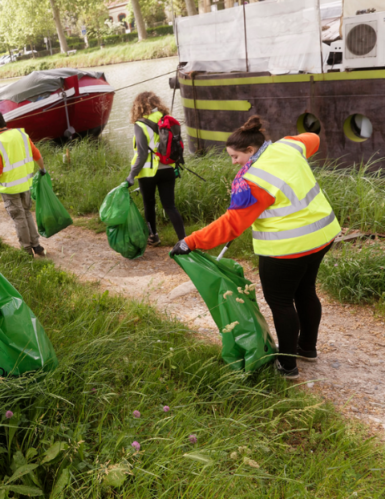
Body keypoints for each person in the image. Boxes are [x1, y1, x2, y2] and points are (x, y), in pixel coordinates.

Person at [169, 116, 340, 379]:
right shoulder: (288, 146)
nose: (233, 162)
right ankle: (307, 349)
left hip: (287, 248)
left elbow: (231, 225)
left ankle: (287, 366)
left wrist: (189, 241)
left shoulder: (254, 179)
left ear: (250, 150)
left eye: (235, 156)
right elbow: (313, 139)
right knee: (305, 291)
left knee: (281, 303)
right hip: (322, 236)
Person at [0, 109, 46, 258]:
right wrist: (43, 169)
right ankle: (37, 246)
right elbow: (37, 154)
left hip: (9, 188)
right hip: (25, 184)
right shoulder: (21, 134)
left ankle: (26, 250)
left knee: (18, 217)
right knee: (27, 213)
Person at [125, 91, 186, 246]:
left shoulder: (140, 124)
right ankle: (184, 240)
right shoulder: (167, 120)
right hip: (168, 169)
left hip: (148, 173)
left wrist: (132, 175)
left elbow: (142, 154)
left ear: (138, 106)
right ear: (157, 103)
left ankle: (153, 237)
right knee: (170, 205)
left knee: (149, 204)